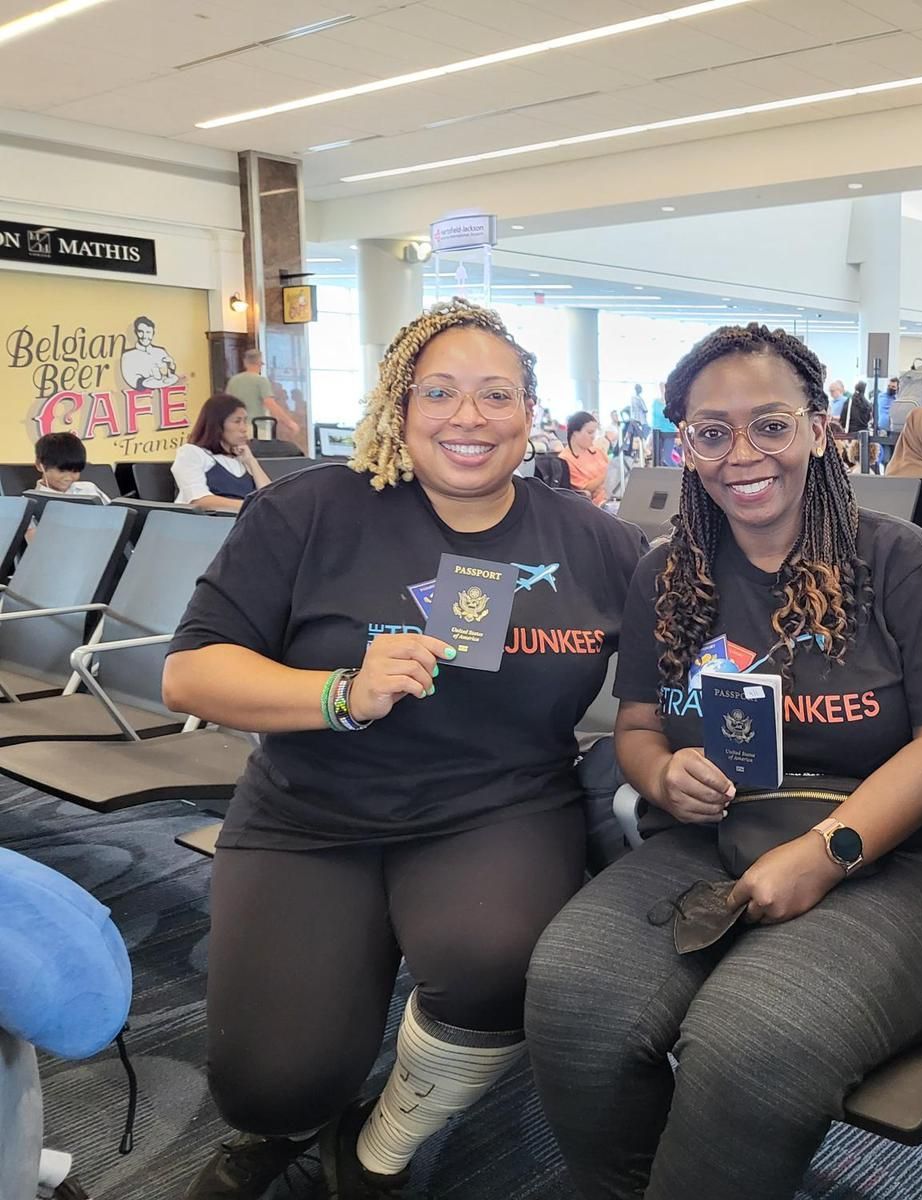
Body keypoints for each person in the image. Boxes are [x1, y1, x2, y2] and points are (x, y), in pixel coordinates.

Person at [526, 322, 922, 1200]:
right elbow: (638, 725)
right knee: (574, 993)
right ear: (685, 445)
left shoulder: (896, 560)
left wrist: (829, 852)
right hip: (724, 830)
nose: (741, 454)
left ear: (820, 427)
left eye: (771, 424)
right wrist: (657, 775)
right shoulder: (669, 573)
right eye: (712, 432)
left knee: (751, 1037)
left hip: (910, 849)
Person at [165, 299, 644, 1200]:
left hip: (496, 810)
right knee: (269, 1084)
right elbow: (190, 676)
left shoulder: (595, 542)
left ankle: (380, 1143)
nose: (469, 418)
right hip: (310, 811)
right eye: (441, 393)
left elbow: (674, 676)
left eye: (496, 394)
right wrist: (339, 692)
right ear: (399, 403)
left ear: (530, 412)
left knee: (501, 965)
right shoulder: (308, 510)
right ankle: (303, 1115)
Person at [172, 394, 270, 512]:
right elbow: (199, 501)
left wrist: (251, 461)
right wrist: (252, 506)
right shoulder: (192, 453)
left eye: (245, 421)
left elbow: (269, 497)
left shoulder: (241, 458)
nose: (244, 428)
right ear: (217, 424)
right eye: (237, 421)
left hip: (242, 525)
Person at [32, 433, 106, 501]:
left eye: (75, 471)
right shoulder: (30, 502)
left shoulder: (89, 489)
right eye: (62, 471)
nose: (68, 478)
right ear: (39, 465)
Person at [559, 410, 609, 506]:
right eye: (590, 432)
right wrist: (608, 474)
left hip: (613, 497)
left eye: (594, 432)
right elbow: (585, 489)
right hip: (598, 506)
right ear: (574, 433)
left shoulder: (597, 452)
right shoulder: (565, 460)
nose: (593, 436)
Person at [118, 316, 182, 391]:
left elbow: (169, 375)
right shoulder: (127, 356)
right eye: (141, 332)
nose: (145, 336)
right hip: (142, 398)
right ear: (136, 333)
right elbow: (132, 381)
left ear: (153, 334)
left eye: (148, 332)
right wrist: (146, 383)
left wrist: (171, 366)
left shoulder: (161, 351)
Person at [225, 349, 276, 425]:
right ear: (259, 364)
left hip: (237, 425)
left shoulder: (233, 380)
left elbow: (226, 402)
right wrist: (289, 422)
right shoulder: (261, 380)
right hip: (257, 426)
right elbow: (269, 403)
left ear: (245, 363)